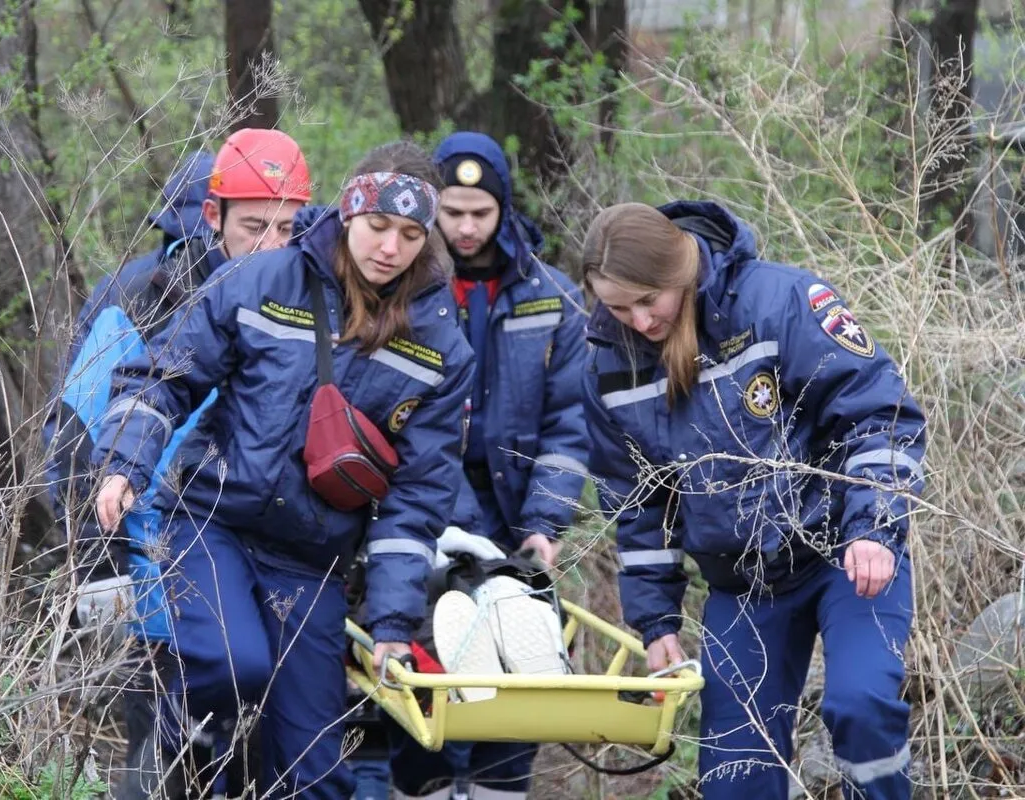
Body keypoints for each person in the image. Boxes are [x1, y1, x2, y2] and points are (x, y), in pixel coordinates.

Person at [89, 140, 476, 800]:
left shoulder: (441, 341)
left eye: (411, 234)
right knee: (233, 666)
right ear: (349, 213)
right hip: (215, 525)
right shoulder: (263, 280)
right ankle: (186, 745)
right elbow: (162, 377)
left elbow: (417, 498)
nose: (391, 247)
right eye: (379, 227)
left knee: (317, 773)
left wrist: (390, 624)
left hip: (314, 557)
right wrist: (124, 464)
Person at [580, 201, 926, 799]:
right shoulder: (609, 369)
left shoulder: (779, 302)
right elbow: (639, 504)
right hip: (742, 587)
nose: (637, 321)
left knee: (859, 706)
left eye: (647, 300)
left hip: (844, 555)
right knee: (735, 775)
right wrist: (656, 620)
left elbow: (881, 415)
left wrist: (874, 526)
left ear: (680, 271)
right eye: (617, 307)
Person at [41, 128, 312, 794]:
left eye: (285, 227)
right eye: (253, 226)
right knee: (163, 766)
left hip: (264, 583)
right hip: (156, 584)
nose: (269, 244)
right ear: (210, 218)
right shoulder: (138, 297)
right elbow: (79, 436)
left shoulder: (307, 296)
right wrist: (101, 573)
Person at [386, 132, 589, 800]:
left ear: (504, 207)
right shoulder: (406, 292)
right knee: (432, 661)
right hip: (424, 504)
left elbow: (569, 421)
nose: (467, 228)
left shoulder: (549, 295)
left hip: (515, 510)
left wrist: (545, 522)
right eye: (452, 212)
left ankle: (503, 790)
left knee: (516, 669)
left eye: (481, 212)